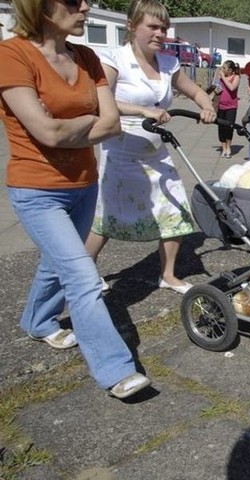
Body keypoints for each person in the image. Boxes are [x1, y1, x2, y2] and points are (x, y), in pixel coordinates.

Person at [0, 0, 150, 398]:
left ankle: (38, 322)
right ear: (41, 7)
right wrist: (88, 123)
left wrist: (73, 126)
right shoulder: (11, 55)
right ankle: (116, 369)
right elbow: (45, 133)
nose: (85, 6)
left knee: (57, 263)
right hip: (36, 190)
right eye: (72, 1)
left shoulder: (86, 57)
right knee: (83, 275)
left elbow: (112, 121)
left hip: (84, 184)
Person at [85, 0, 217, 296]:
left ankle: (168, 275)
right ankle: (85, 270)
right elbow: (100, 100)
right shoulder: (114, 58)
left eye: (164, 28)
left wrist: (206, 105)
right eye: (153, 26)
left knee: (176, 212)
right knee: (106, 218)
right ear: (132, 26)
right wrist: (141, 110)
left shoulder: (169, 63)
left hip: (157, 151)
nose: (160, 33)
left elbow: (195, 90)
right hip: (122, 151)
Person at [216, 60, 241, 158]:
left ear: (230, 70)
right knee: (221, 127)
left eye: (224, 68)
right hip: (221, 106)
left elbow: (231, 88)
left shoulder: (236, 77)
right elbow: (218, 88)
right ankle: (223, 148)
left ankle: (228, 147)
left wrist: (223, 77)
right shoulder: (221, 78)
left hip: (231, 107)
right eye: (222, 68)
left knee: (229, 127)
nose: (222, 70)